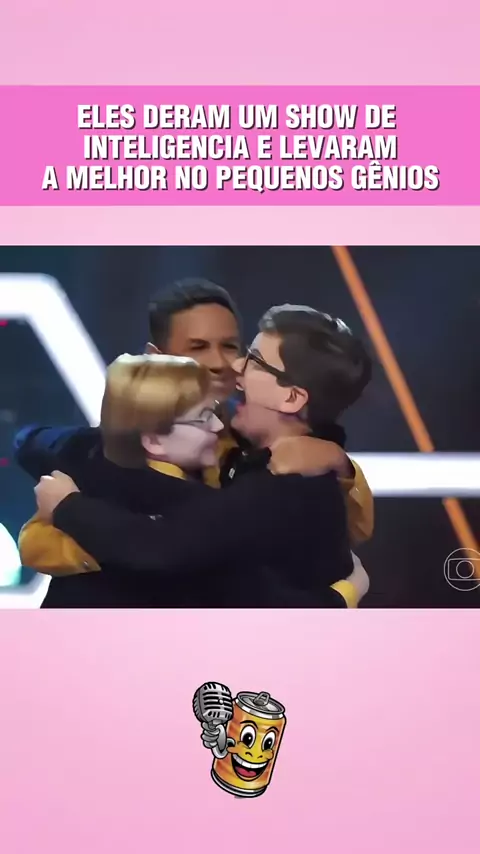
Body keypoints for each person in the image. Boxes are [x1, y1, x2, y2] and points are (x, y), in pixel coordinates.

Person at [34, 305, 372, 608]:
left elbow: (162, 548)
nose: (234, 366)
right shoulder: (248, 456)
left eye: (254, 360)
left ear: (292, 398)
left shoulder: (284, 490)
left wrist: (68, 506)